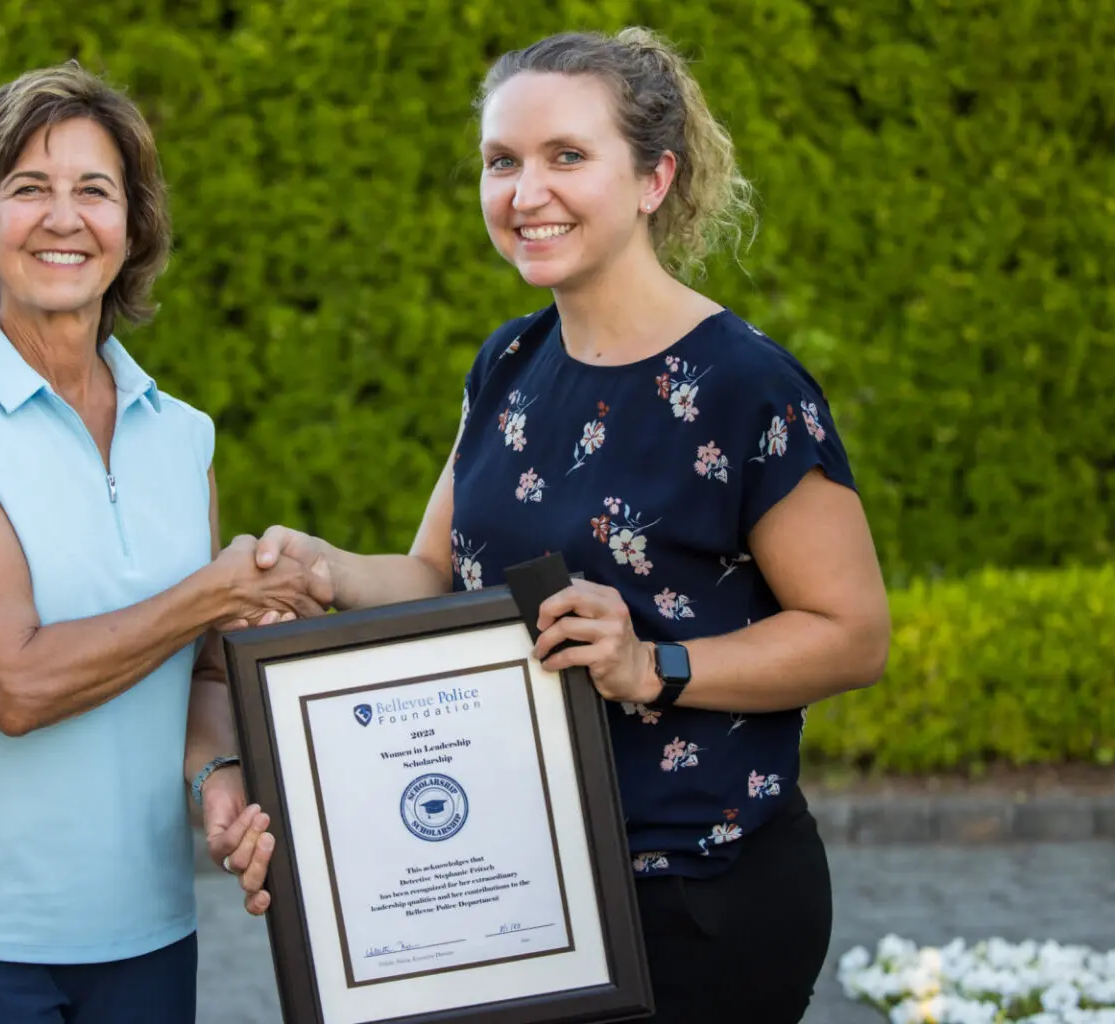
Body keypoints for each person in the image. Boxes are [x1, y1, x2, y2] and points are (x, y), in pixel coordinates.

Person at [222, 27, 891, 1023]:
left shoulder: (746, 388)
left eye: (565, 157)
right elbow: (436, 576)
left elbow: (854, 632)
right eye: (504, 162)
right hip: (523, 885)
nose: (525, 191)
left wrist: (656, 666)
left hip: (699, 895)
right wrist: (324, 569)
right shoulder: (509, 361)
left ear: (654, 179)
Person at [0, 63, 314, 1023]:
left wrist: (218, 777)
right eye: (29, 189)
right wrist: (212, 596)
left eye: (94, 191)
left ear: (132, 228)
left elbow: (204, 674)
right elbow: (9, 687)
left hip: (146, 930)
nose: (65, 218)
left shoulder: (181, 434)